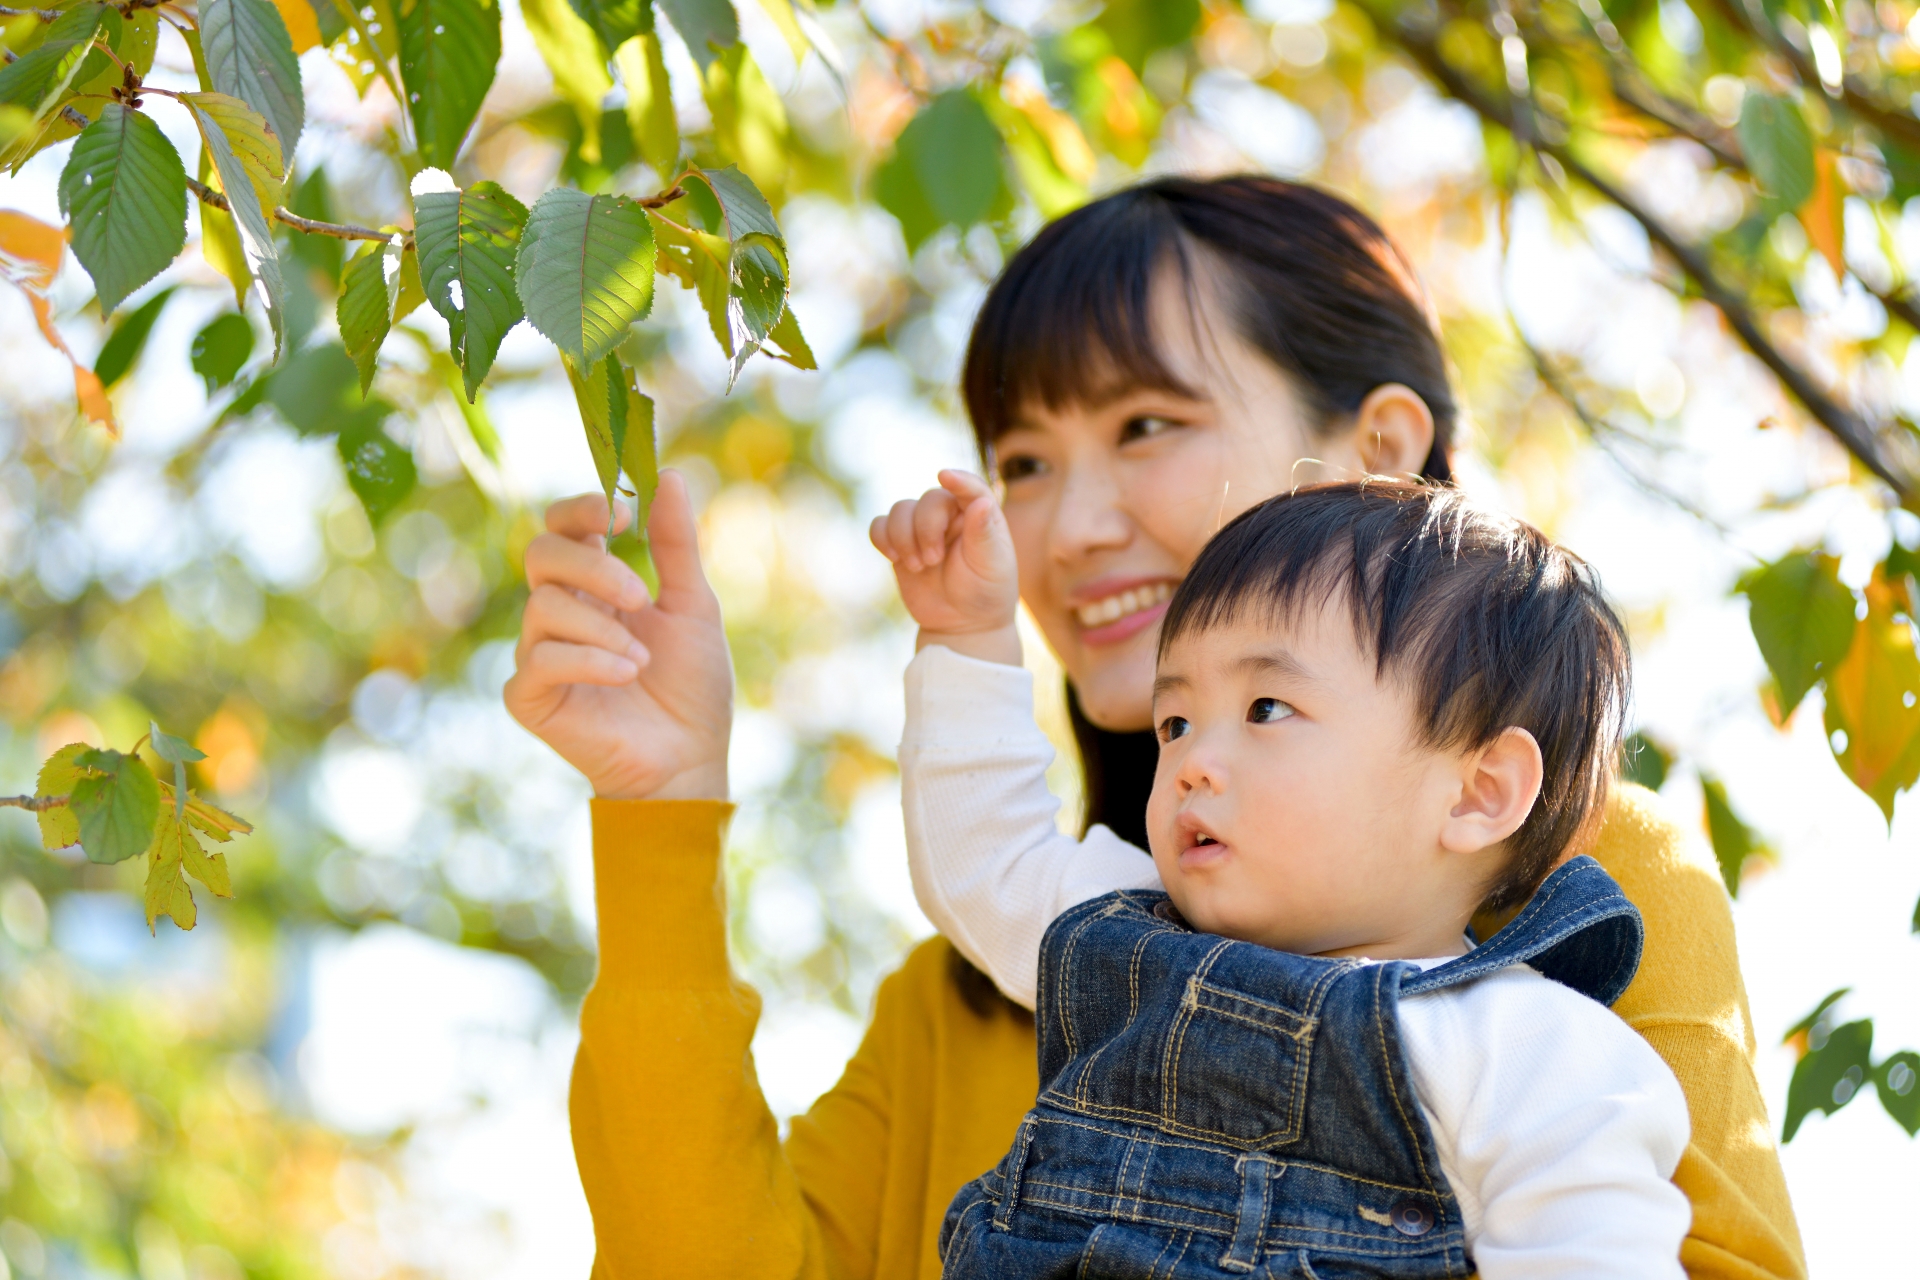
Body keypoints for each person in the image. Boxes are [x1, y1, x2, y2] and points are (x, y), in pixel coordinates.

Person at [504, 177, 1805, 1278]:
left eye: (1146, 426)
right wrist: (662, 808)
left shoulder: (1584, 884)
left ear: (1378, 451)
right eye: (1022, 460)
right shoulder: (980, 981)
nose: (1066, 530)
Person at [876, 476, 1689, 1277]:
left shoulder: (1528, 1045)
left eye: (1267, 708)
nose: (1192, 762)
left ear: (1477, 792)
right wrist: (964, 635)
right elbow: (986, 860)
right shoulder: (1129, 943)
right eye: (1176, 722)